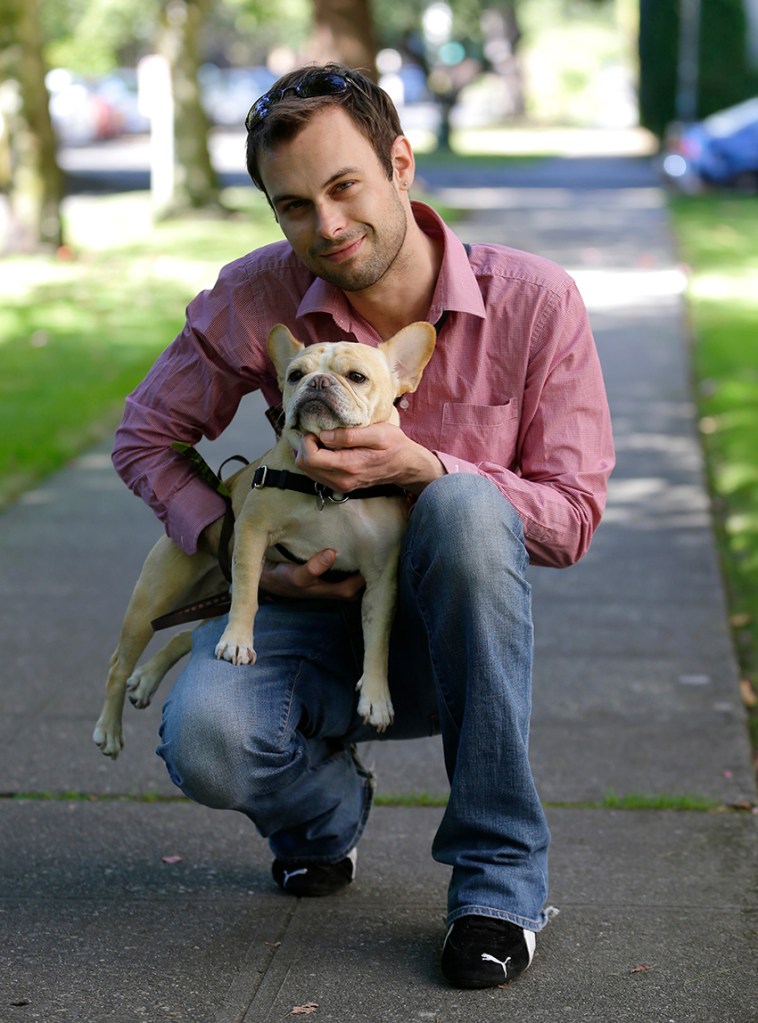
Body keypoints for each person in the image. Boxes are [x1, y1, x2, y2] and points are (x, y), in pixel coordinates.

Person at [112, 62, 614, 989]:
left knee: (466, 505)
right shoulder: (256, 296)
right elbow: (144, 437)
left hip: (449, 637)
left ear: (401, 164)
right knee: (207, 738)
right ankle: (320, 818)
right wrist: (233, 546)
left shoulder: (536, 304)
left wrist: (427, 467)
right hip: (302, 617)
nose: (327, 226)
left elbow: (574, 517)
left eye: (345, 187)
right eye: (294, 205)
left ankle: (499, 883)